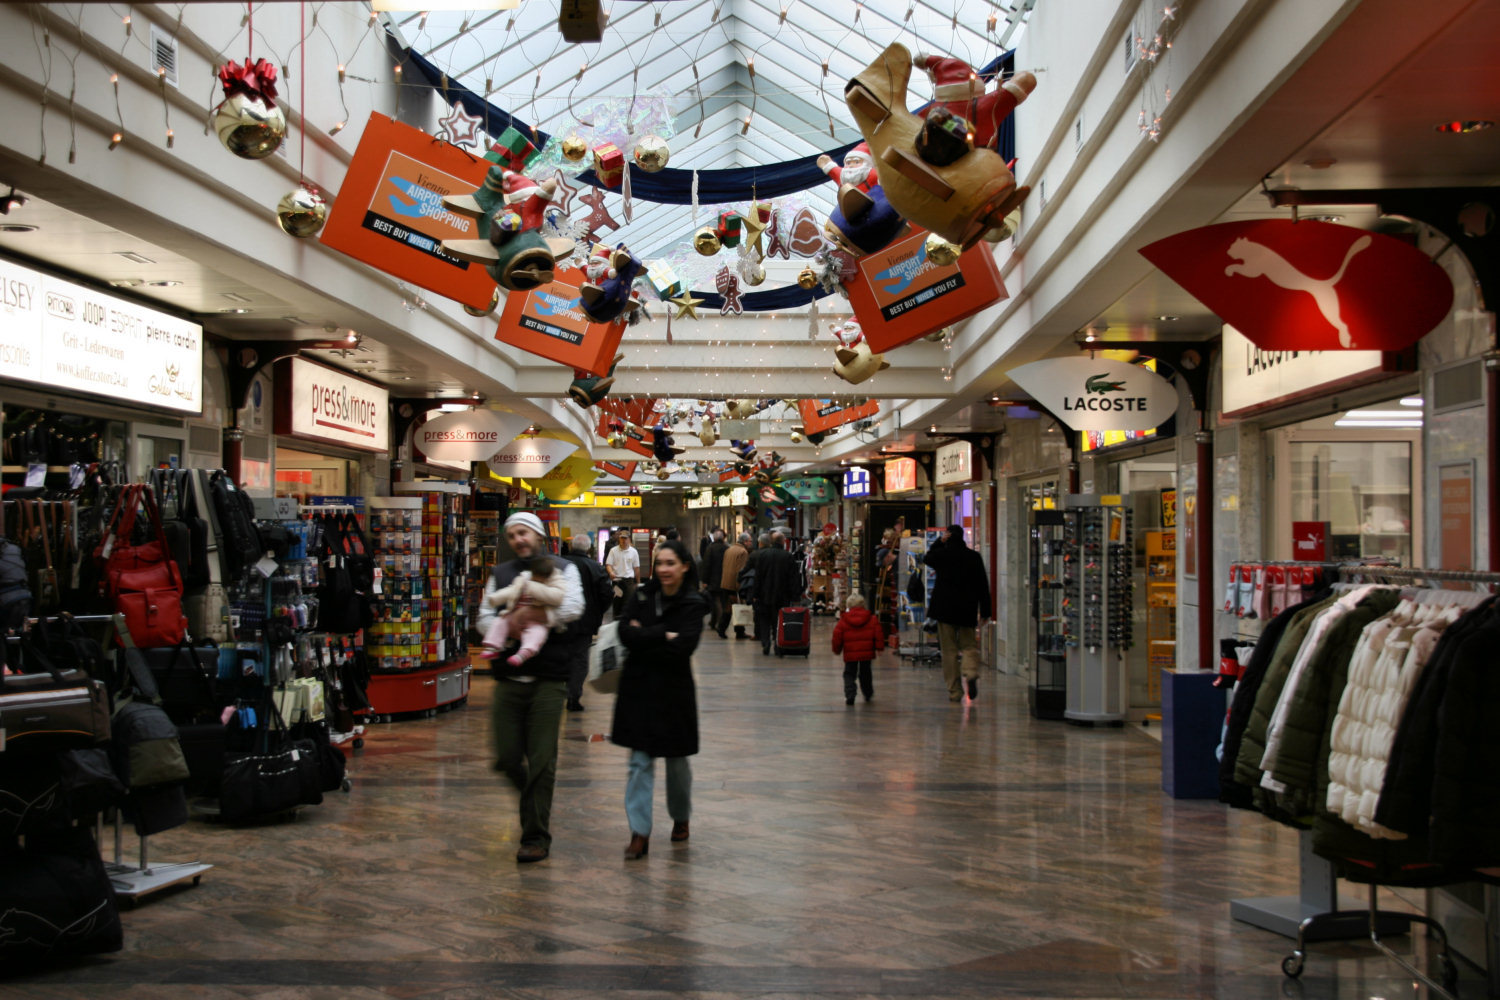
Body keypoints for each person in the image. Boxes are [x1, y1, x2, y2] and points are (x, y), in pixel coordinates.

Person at [476, 511, 585, 863]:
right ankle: (533, 800)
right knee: (506, 758)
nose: (518, 540)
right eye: (512, 535)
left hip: (549, 679)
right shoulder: (500, 573)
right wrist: (510, 626)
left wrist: (535, 617)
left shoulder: (563, 568)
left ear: (538, 535)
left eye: (523, 533)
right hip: (508, 679)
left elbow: (572, 606)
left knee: (542, 761)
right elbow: (484, 617)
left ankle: (535, 836)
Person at [611, 540, 709, 860]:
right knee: (639, 763)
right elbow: (624, 632)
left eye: (670, 563)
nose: (664, 569)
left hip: (673, 692)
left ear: (684, 567)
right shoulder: (641, 595)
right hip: (638, 690)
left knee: (677, 763)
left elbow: (684, 647)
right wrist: (663, 634)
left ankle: (681, 816)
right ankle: (639, 832)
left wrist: (646, 634)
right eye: (660, 563)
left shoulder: (693, 603)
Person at [923, 524, 993, 703]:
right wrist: (985, 611)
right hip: (967, 610)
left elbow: (927, 558)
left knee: (949, 651)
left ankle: (955, 691)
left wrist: (939, 541)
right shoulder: (974, 557)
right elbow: (982, 585)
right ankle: (970, 672)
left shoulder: (942, 555)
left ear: (948, 536)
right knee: (969, 646)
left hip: (945, 610)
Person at [560, 533, 613, 712]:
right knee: (580, 659)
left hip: (561, 620)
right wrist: (597, 612)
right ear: (589, 549)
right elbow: (607, 593)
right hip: (585, 622)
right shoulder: (595, 568)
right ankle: (574, 696)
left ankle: (558, 692)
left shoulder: (560, 564)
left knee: (561, 654)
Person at [480, 558, 565, 666]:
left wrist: (532, 587)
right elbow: (512, 590)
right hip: (514, 612)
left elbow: (557, 597)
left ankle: (524, 653)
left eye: (540, 580)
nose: (536, 580)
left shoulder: (554, 581)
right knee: (500, 622)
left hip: (536, 620)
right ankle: (492, 646)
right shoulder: (524, 578)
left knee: (538, 633)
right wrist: (496, 598)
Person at [752, 530, 801, 656]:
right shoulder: (788, 557)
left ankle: (765, 641)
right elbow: (794, 578)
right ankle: (777, 644)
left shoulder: (762, 555)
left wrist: (755, 594)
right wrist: (795, 596)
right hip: (782, 595)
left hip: (764, 594)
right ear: (783, 542)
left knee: (764, 619)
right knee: (778, 621)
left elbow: (758, 576)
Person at [832, 593, 884, 705]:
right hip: (867, 652)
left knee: (849, 673)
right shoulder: (872, 618)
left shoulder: (844, 620)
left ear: (848, 606)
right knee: (866, 672)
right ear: (863, 604)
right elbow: (878, 634)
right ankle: (868, 693)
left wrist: (837, 649)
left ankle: (850, 695)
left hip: (850, 653)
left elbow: (837, 636)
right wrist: (879, 648)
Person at [718, 531, 753, 639]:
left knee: (729, 608)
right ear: (745, 542)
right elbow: (741, 570)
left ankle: (735, 630)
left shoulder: (729, 549)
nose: (751, 543)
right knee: (737, 608)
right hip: (734, 584)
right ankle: (728, 630)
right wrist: (741, 587)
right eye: (750, 541)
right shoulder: (743, 552)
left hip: (725, 582)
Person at [606, 530, 640, 618]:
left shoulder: (633, 551)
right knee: (617, 603)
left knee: (628, 603)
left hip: (629, 581)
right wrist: (611, 572)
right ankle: (616, 622)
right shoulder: (613, 550)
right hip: (617, 581)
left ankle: (626, 622)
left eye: (625, 538)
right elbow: (608, 564)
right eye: (621, 538)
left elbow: (636, 568)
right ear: (619, 539)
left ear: (629, 539)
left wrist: (638, 582)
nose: (623, 540)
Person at [701, 529, 728, 635]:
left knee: (715, 601)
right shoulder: (727, 548)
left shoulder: (710, 548)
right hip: (724, 579)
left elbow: (706, 565)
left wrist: (705, 580)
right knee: (723, 601)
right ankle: (716, 621)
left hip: (713, 579)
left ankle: (716, 621)